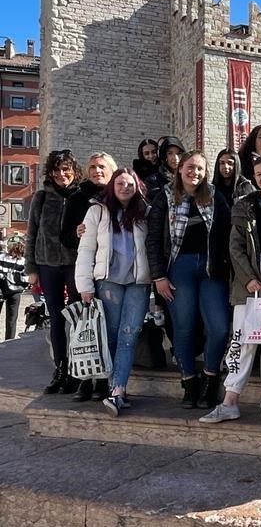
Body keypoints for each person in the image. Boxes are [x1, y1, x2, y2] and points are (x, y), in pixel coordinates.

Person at [200, 154, 261, 424]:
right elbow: (235, 247)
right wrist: (249, 279)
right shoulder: (244, 206)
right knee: (242, 338)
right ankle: (230, 399)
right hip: (250, 281)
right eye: (258, 175)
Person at [146, 150, 232, 408]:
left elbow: (228, 232)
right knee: (183, 327)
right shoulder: (165, 196)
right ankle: (189, 381)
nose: (195, 173)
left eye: (200, 169)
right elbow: (152, 238)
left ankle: (210, 376)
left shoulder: (214, 196)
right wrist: (158, 275)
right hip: (178, 268)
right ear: (180, 168)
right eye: (190, 167)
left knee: (219, 328)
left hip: (209, 269)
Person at [74, 169, 151, 417]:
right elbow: (86, 249)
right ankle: (113, 387)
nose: (125, 188)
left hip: (138, 283)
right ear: (112, 186)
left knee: (130, 335)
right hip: (108, 282)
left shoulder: (145, 213)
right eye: (120, 183)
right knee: (112, 335)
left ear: (137, 187)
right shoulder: (97, 211)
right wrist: (84, 286)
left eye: (130, 184)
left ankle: (117, 390)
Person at [24, 150, 83, 394]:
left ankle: (79, 371)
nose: (61, 174)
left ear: (74, 171)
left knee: (79, 317)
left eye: (66, 169)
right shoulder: (41, 198)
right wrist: (31, 268)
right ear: (50, 173)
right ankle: (60, 368)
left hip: (75, 263)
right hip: (47, 263)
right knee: (57, 319)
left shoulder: (81, 196)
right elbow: (32, 233)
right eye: (57, 170)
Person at [61, 152, 118, 401]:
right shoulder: (77, 198)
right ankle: (83, 380)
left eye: (102, 166)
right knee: (82, 327)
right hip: (84, 269)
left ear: (111, 169)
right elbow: (65, 236)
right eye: (93, 166)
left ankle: (103, 379)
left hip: (110, 270)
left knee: (106, 326)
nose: (97, 171)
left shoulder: (120, 192)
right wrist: (77, 233)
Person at [145, 136, 185, 204]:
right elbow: (156, 203)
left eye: (178, 153)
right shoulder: (153, 180)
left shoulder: (189, 177)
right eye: (170, 153)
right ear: (165, 156)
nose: (175, 158)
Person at [0, 241, 26, 341]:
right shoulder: (24, 262)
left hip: (1, 290)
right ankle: (9, 341)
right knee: (12, 318)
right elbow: (26, 279)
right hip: (15, 292)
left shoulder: (2, 257)